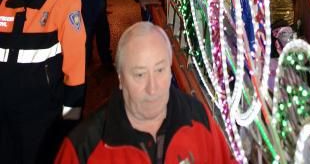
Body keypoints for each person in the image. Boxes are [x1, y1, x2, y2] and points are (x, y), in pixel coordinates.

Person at [55, 21, 234, 163]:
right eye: (140, 74)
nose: (153, 88)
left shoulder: (199, 118)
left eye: (160, 70)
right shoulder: (82, 148)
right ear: (120, 78)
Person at [0, 0, 86, 164]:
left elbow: (75, 72)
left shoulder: (66, 4)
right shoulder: (5, 6)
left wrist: (70, 123)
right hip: (5, 118)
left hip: (42, 120)